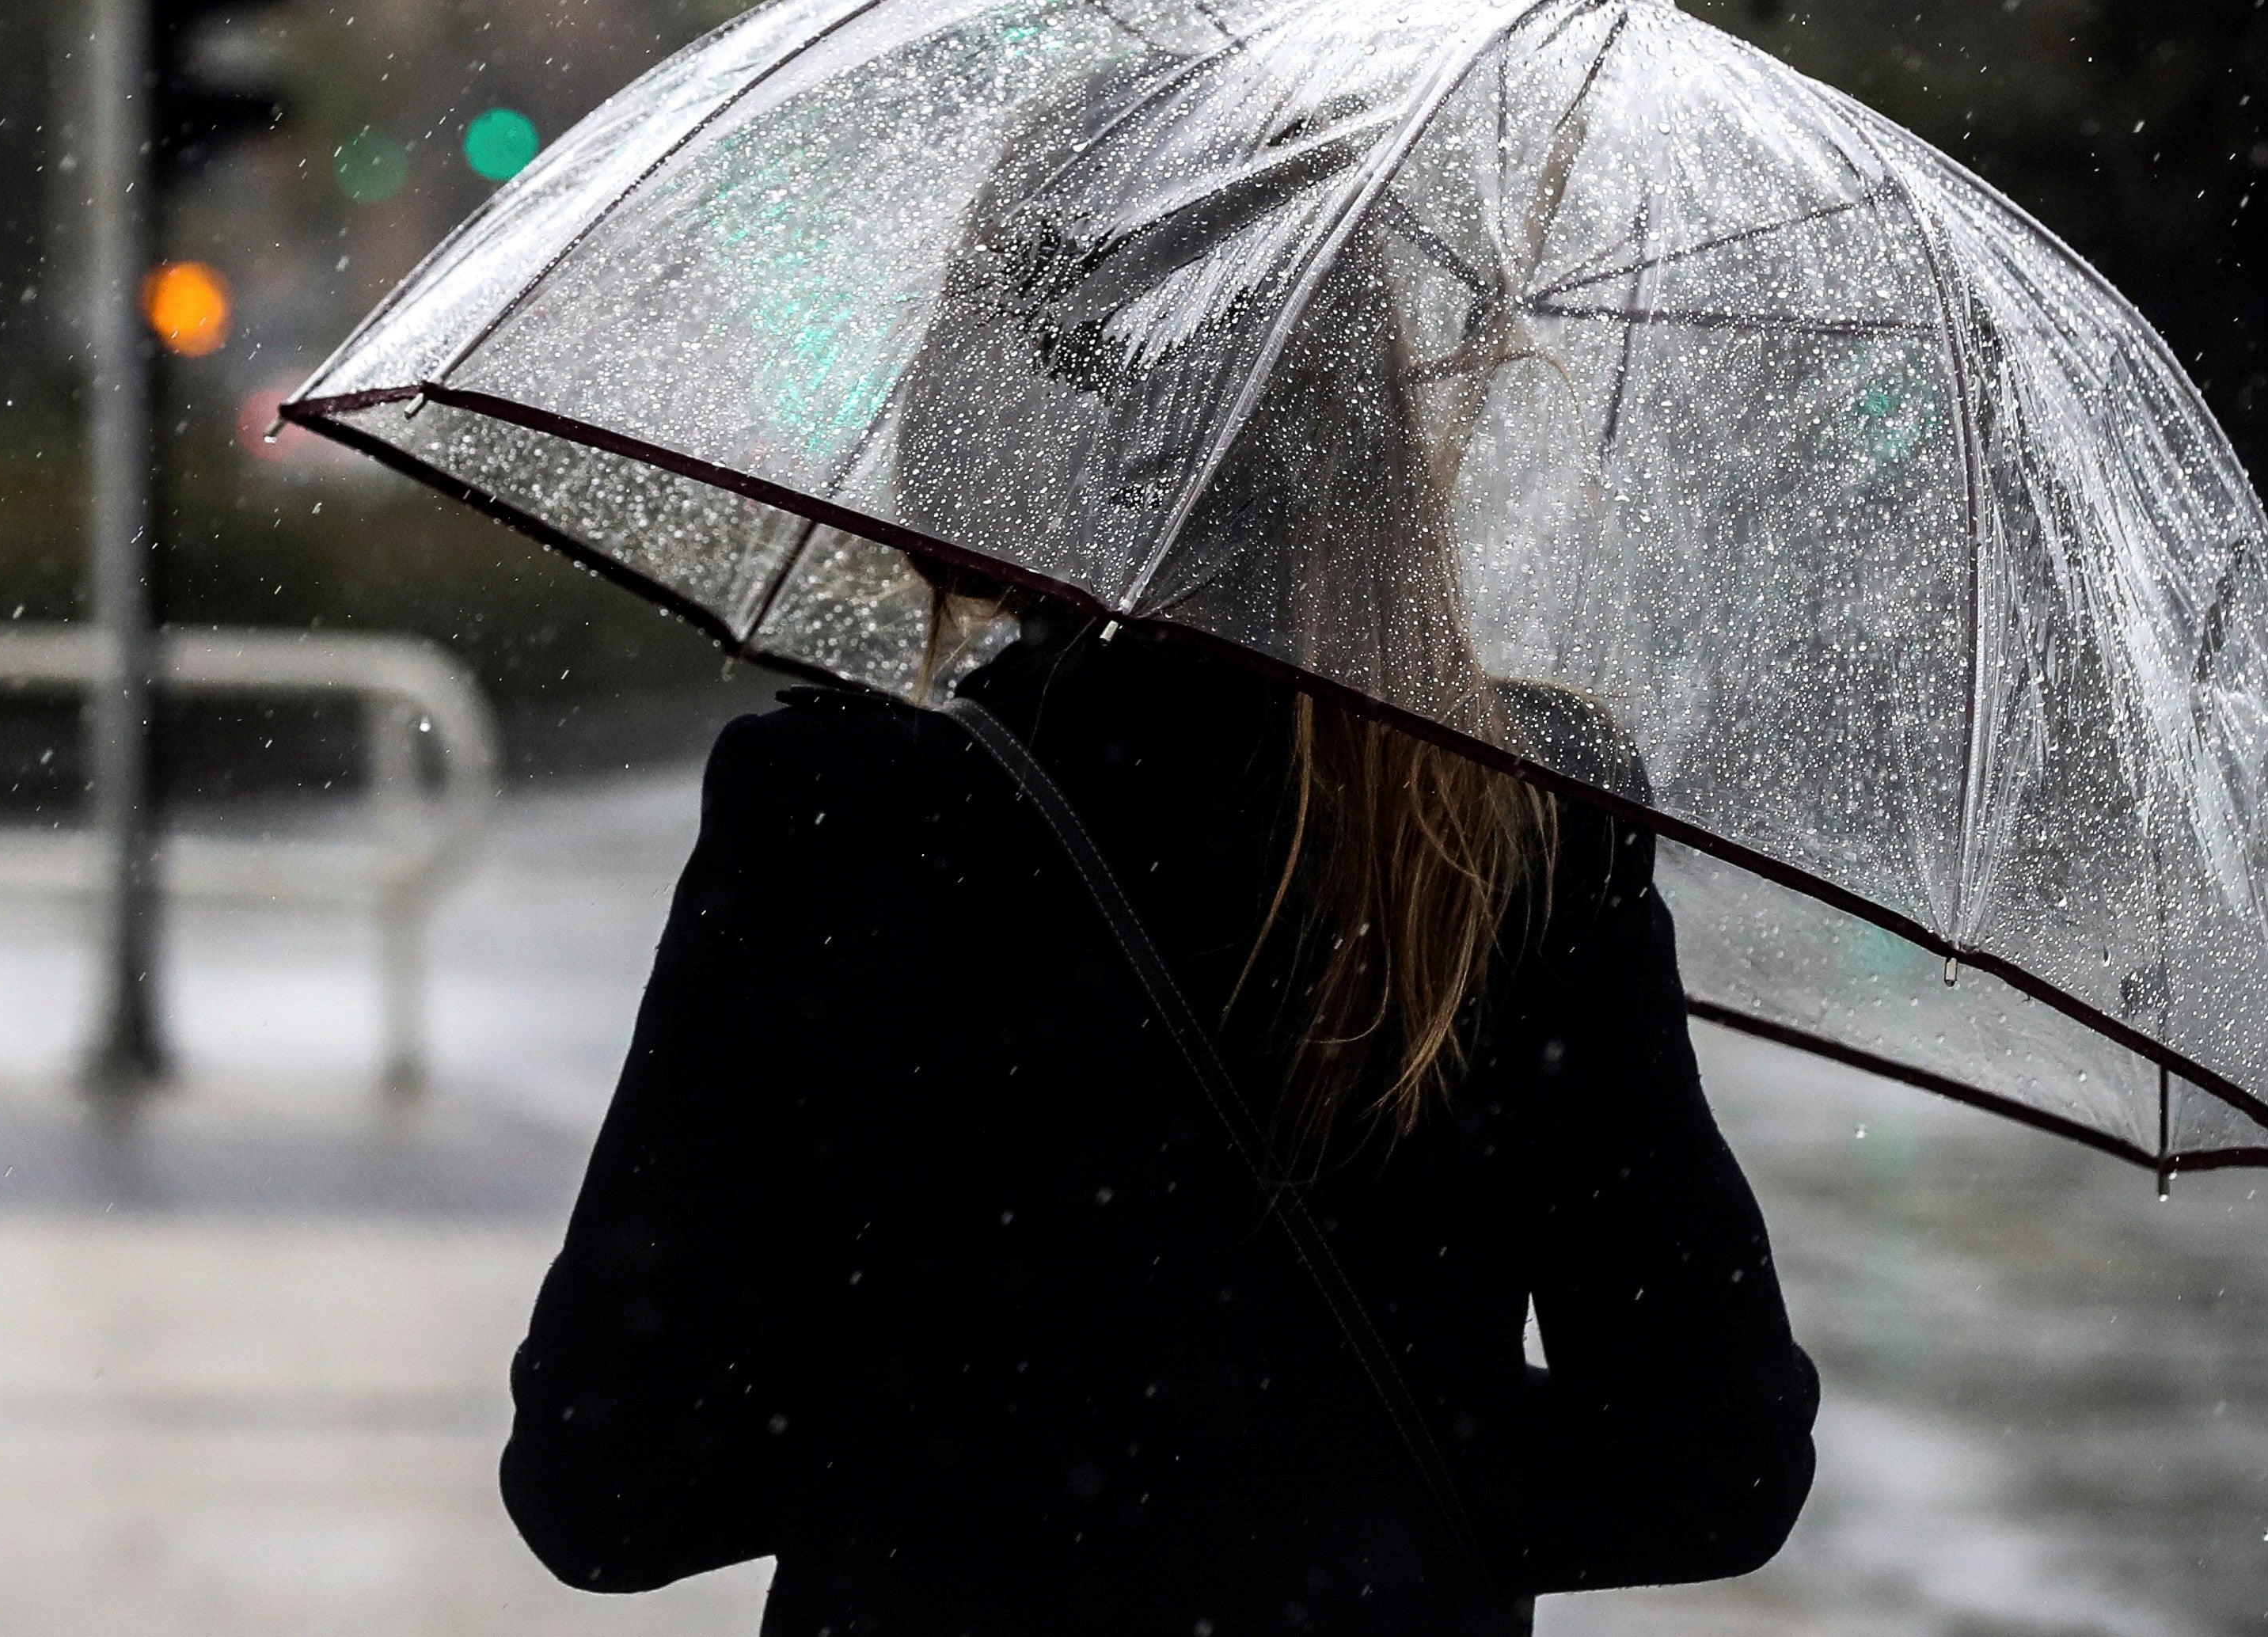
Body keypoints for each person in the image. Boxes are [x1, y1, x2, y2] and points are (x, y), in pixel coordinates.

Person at [497, 589, 1820, 1631]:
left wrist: (946, 1457)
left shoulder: (845, 812)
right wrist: (1325, 1477)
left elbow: (602, 1480)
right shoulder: (1514, 812)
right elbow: (1708, 1462)